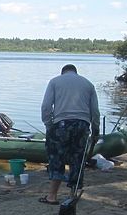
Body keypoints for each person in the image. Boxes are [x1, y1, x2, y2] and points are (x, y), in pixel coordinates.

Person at [39, 64, 100, 205]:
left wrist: (49, 126)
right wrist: (95, 130)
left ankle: (52, 196)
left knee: (56, 158)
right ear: (75, 72)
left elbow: (46, 106)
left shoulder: (55, 81)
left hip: (61, 124)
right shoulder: (88, 84)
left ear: (63, 72)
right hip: (82, 125)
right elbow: (95, 111)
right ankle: (72, 195)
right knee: (77, 159)